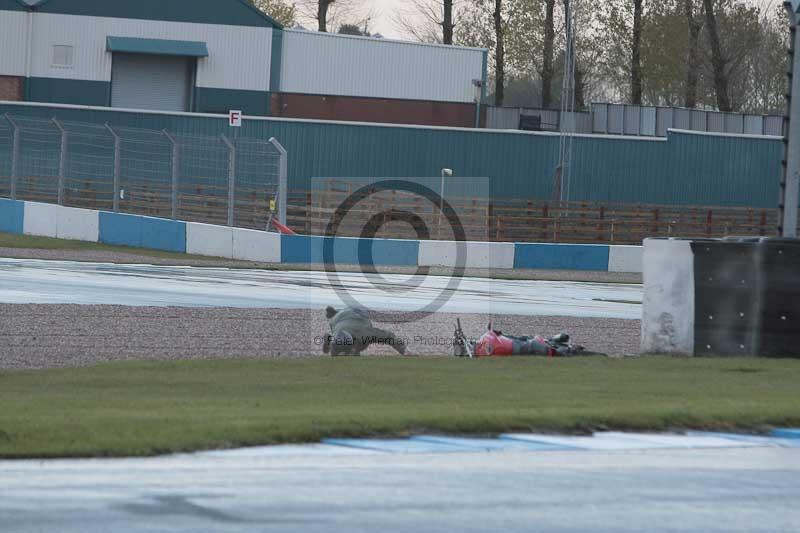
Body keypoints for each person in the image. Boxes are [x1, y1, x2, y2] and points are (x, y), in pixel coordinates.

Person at [323, 306, 407, 357]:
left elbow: (388, 336)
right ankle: (334, 312)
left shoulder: (365, 335)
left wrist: (403, 350)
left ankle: (334, 312)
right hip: (339, 318)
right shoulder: (335, 330)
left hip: (356, 315)